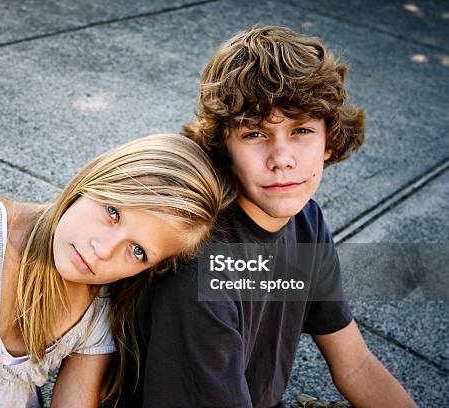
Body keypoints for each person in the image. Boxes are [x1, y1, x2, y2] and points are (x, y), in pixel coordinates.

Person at [128, 26, 418, 407]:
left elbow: (356, 365)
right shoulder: (200, 273)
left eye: (301, 130)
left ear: (328, 141)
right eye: (254, 134)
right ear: (222, 147)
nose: (282, 158)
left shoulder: (305, 219)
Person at [0, 133, 228, 407]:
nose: (103, 251)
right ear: (95, 179)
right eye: (113, 211)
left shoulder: (99, 305)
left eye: (137, 251)